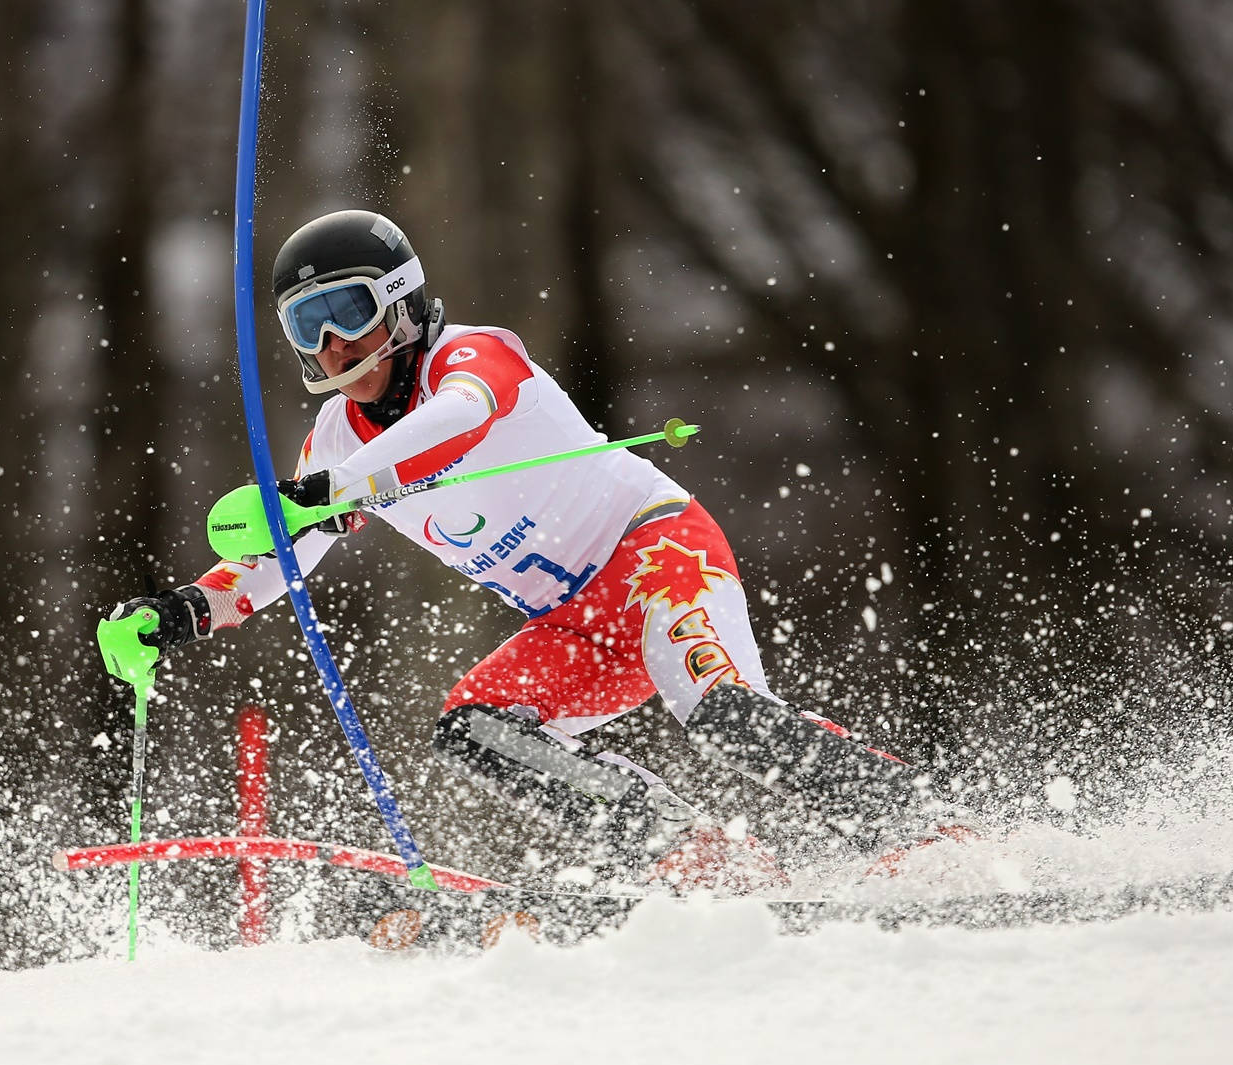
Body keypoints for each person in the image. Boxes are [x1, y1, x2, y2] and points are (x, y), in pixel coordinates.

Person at [105, 209, 970, 892]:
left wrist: (325, 495)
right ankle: (687, 851)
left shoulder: (470, 357)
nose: (333, 346)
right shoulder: (335, 440)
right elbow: (275, 560)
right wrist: (178, 613)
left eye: (350, 312)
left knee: (717, 710)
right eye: (306, 324)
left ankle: (923, 829)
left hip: (655, 556)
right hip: (572, 625)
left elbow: (459, 421)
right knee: (473, 729)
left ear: (400, 305)